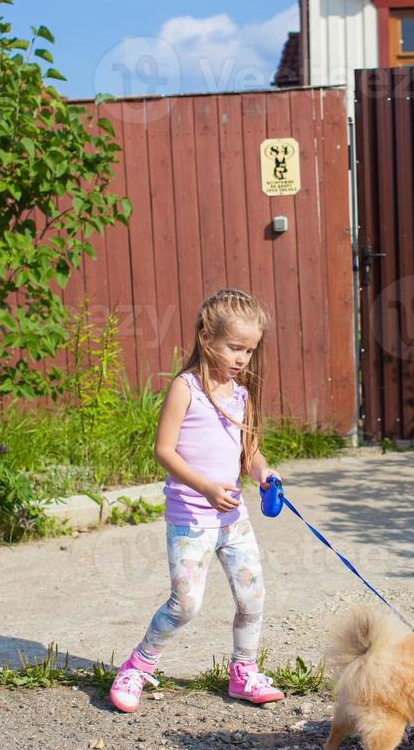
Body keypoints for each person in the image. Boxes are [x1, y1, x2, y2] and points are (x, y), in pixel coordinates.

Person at [109, 289, 284, 712]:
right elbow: (164, 451)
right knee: (185, 604)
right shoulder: (185, 388)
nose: (243, 358)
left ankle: (243, 671)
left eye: (250, 350)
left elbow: (249, 453)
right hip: (191, 517)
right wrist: (206, 487)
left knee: (252, 597)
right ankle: (139, 664)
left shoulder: (240, 394)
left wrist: (263, 473)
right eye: (235, 347)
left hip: (233, 519)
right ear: (207, 337)